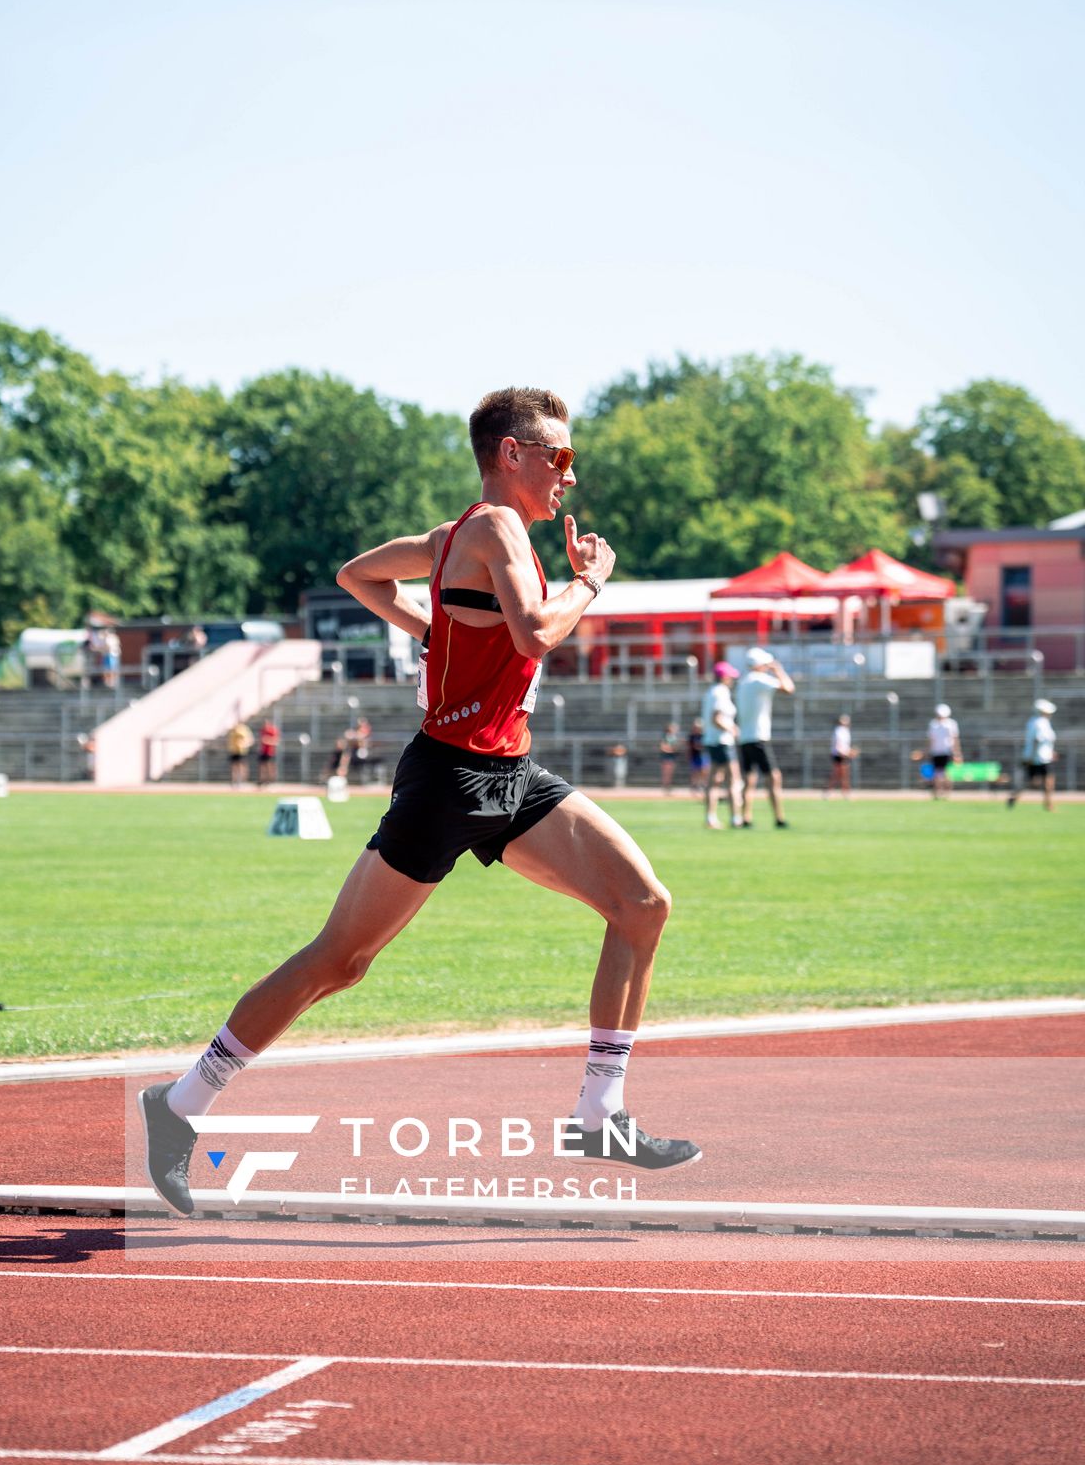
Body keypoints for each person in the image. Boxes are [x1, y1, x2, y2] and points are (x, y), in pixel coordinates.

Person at [139, 385, 700, 1217]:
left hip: (509, 776)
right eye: (561, 457)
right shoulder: (493, 528)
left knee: (642, 903)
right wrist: (591, 584)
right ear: (512, 455)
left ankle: (599, 1114)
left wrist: (435, 628)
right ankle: (180, 1102)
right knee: (340, 961)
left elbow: (357, 574)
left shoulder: (453, 539)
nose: (569, 477)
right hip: (446, 779)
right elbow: (537, 632)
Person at [736, 647, 795, 828]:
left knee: (749, 779)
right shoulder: (759, 680)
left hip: (745, 737)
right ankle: (779, 817)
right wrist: (778, 670)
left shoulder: (744, 682)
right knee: (773, 777)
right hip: (758, 737)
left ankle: (745, 817)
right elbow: (788, 688)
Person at [699, 662, 743, 829]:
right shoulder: (721, 692)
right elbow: (716, 718)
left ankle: (711, 817)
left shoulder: (711, 692)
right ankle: (735, 817)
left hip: (712, 740)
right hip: (722, 741)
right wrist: (732, 729)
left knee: (714, 780)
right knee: (733, 779)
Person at [1008, 699, 1057, 811]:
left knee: (1049, 782)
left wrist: (1051, 752)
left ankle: (1048, 805)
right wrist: (1031, 757)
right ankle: (1014, 797)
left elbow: (1046, 742)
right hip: (1036, 758)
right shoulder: (1038, 722)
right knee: (1033, 783)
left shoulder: (1043, 722)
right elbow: (1036, 741)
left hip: (1044, 758)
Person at [926, 702, 961, 799]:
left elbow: (954, 739)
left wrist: (957, 752)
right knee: (937, 773)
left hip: (946, 751)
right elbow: (931, 739)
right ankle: (937, 792)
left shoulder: (951, 724)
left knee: (945, 773)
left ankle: (947, 792)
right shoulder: (933, 724)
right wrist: (928, 751)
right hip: (936, 752)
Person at [826, 714, 855, 798]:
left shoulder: (845, 731)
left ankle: (844, 792)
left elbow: (845, 745)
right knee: (838, 774)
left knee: (843, 774)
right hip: (839, 754)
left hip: (843, 754)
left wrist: (850, 751)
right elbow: (838, 745)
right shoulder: (839, 730)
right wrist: (845, 753)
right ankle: (832, 791)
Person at [227, 720, 254, 787]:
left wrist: (244, 744)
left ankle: (242, 781)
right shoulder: (234, 729)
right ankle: (234, 781)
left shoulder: (244, 729)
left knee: (241, 767)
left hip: (242, 751)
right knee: (234, 767)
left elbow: (250, 740)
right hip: (234, 751)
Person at [256, 719, 280, 787]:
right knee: (262, 766)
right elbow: (261, 740)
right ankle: (262, 780)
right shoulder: (263, 730)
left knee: (269, 766)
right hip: (263, 751)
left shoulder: (272, 730)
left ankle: (270, 780)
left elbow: (276, 740)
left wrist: (267, 740)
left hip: (270, 751)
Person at [686, 718, 707, 797]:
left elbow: (704, 746)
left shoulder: (704, 735)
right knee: (695, 772)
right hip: (695, 756)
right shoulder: (692, 736)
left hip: (703, 756)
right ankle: (694, 788)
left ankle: (702, 786)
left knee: (704, 772)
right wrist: (689, 755)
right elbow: (690, 747)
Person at [659, 722, 680, 796]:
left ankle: (668, 789)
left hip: (672, 757)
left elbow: (676, 748)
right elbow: (663, 747)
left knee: (670, 774)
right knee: (666, 774)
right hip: (666, 757)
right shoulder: (665, 737)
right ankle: (665, 789)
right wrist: (671, 749)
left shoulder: (674, 737)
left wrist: (672, 749)